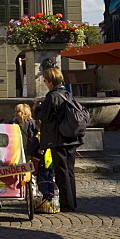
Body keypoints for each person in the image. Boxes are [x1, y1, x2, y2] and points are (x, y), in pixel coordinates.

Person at [36, 67, 81, 213]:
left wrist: (37, 108)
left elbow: (44, 116)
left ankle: (66, 204)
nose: (45, 83)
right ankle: (72, 201)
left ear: (49, 82)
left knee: (61, 172)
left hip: (59, 139)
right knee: (70, 171)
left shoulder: (52, 96)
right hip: (71, 137)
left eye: (45, 81)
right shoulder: (67, 94)